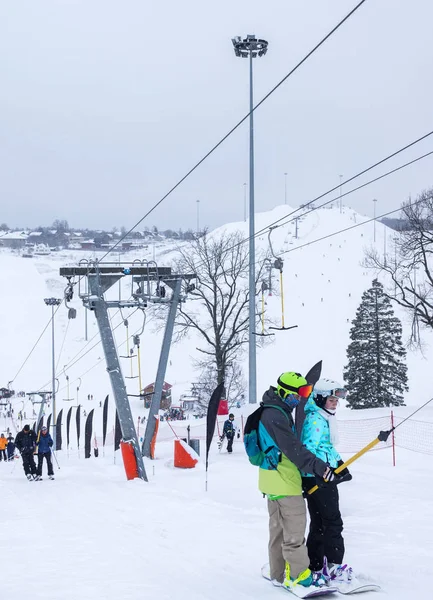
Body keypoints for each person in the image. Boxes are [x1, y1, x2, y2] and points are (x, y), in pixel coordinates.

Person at [259, 372, 338, 593]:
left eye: (306, 392)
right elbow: (294, 450)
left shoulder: (274, 410)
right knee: (294, 532)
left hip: (270, 481)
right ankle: (300, 578)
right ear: (285, 391)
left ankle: (278, 573)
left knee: (278, 530)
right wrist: (320, 467)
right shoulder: (276, 416)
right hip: (284, 481)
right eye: (300, 392)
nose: (302, 397)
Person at [301, 379, 352, 585]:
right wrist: (316, 474)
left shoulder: (323, 418)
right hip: (319, 478)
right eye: (331, 399)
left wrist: (340, 465)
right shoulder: (315, 420)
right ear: (320, 398)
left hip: (323, 474)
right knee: (333, 522)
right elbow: (308, 450)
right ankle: (334, 567)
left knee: (320, 523)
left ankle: (315, 564)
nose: (335, 404)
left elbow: (327, 447)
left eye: (336, 400)